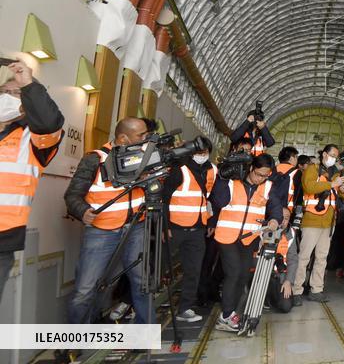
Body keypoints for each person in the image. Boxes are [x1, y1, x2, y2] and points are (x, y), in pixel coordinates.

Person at [64, 117, 152, 324]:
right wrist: (83, 211)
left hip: (135, 229)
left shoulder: (144, 158)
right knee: (86, 289)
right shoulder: (94, 159)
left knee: (142, 283)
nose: (146, 139)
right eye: (141, 136)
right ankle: (71, 343)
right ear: (123, 139)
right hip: (102, 232)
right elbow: (72, 195)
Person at [0, 59, 63, 299]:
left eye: (18, 94)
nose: (9, 97)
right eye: (5, 92)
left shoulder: (34, 140)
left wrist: (28, 84)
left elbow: (49, 121)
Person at [208, 153, 285, 332]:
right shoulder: (231, 183)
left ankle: (230, 312)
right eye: (259, 174)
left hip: (249, 238)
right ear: (251, 168)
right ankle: (226, 315)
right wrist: (221, 178)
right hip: (227, 236)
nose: (261, 179)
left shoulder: (267, 187)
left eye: (266, 176)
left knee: (242, 275)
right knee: (233, 273)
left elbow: (275, 207)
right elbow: (218, 200)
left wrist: (274, 219)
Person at [163, 135, 217, 322]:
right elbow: (164, 198)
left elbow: (210, 199)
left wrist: (210, 222)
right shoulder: (180, 169)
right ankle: (133, 303)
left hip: (197, 229)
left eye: (205, 152)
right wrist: (165, 225)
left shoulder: (212, 170)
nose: (202, 155)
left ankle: (185, 308)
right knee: (158, 266)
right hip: (174, 228)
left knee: (193, 270)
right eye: (199, 152)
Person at [293, 144, 344, 304]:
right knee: (304, 257)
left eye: (336, 156)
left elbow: (343, 194)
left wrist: (342, 188)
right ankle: (296, 290)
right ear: (324, 154)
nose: (334, 158)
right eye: (332, 155)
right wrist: (331, 184)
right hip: (312, 219)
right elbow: (308, 186)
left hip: (329, 221)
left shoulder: (335, 172)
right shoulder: (312, 169)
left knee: (322, 257)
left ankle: (316, 289)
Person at [274, 146, 299, 212]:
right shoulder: (296, 172)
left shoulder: (272, 169)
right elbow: (298, 193)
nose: (297, 160)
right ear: (291, 158)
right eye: (296, 157)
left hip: (271, 206)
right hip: (287, 209)